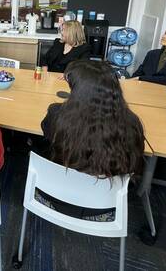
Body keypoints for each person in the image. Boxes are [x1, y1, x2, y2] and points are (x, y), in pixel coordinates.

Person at [39, 60, 145, 218]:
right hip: (105, 203)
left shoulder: (57, 114)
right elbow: (136, 161)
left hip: (57, 195)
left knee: (37, 146)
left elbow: (46, 134)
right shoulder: (131, 123)